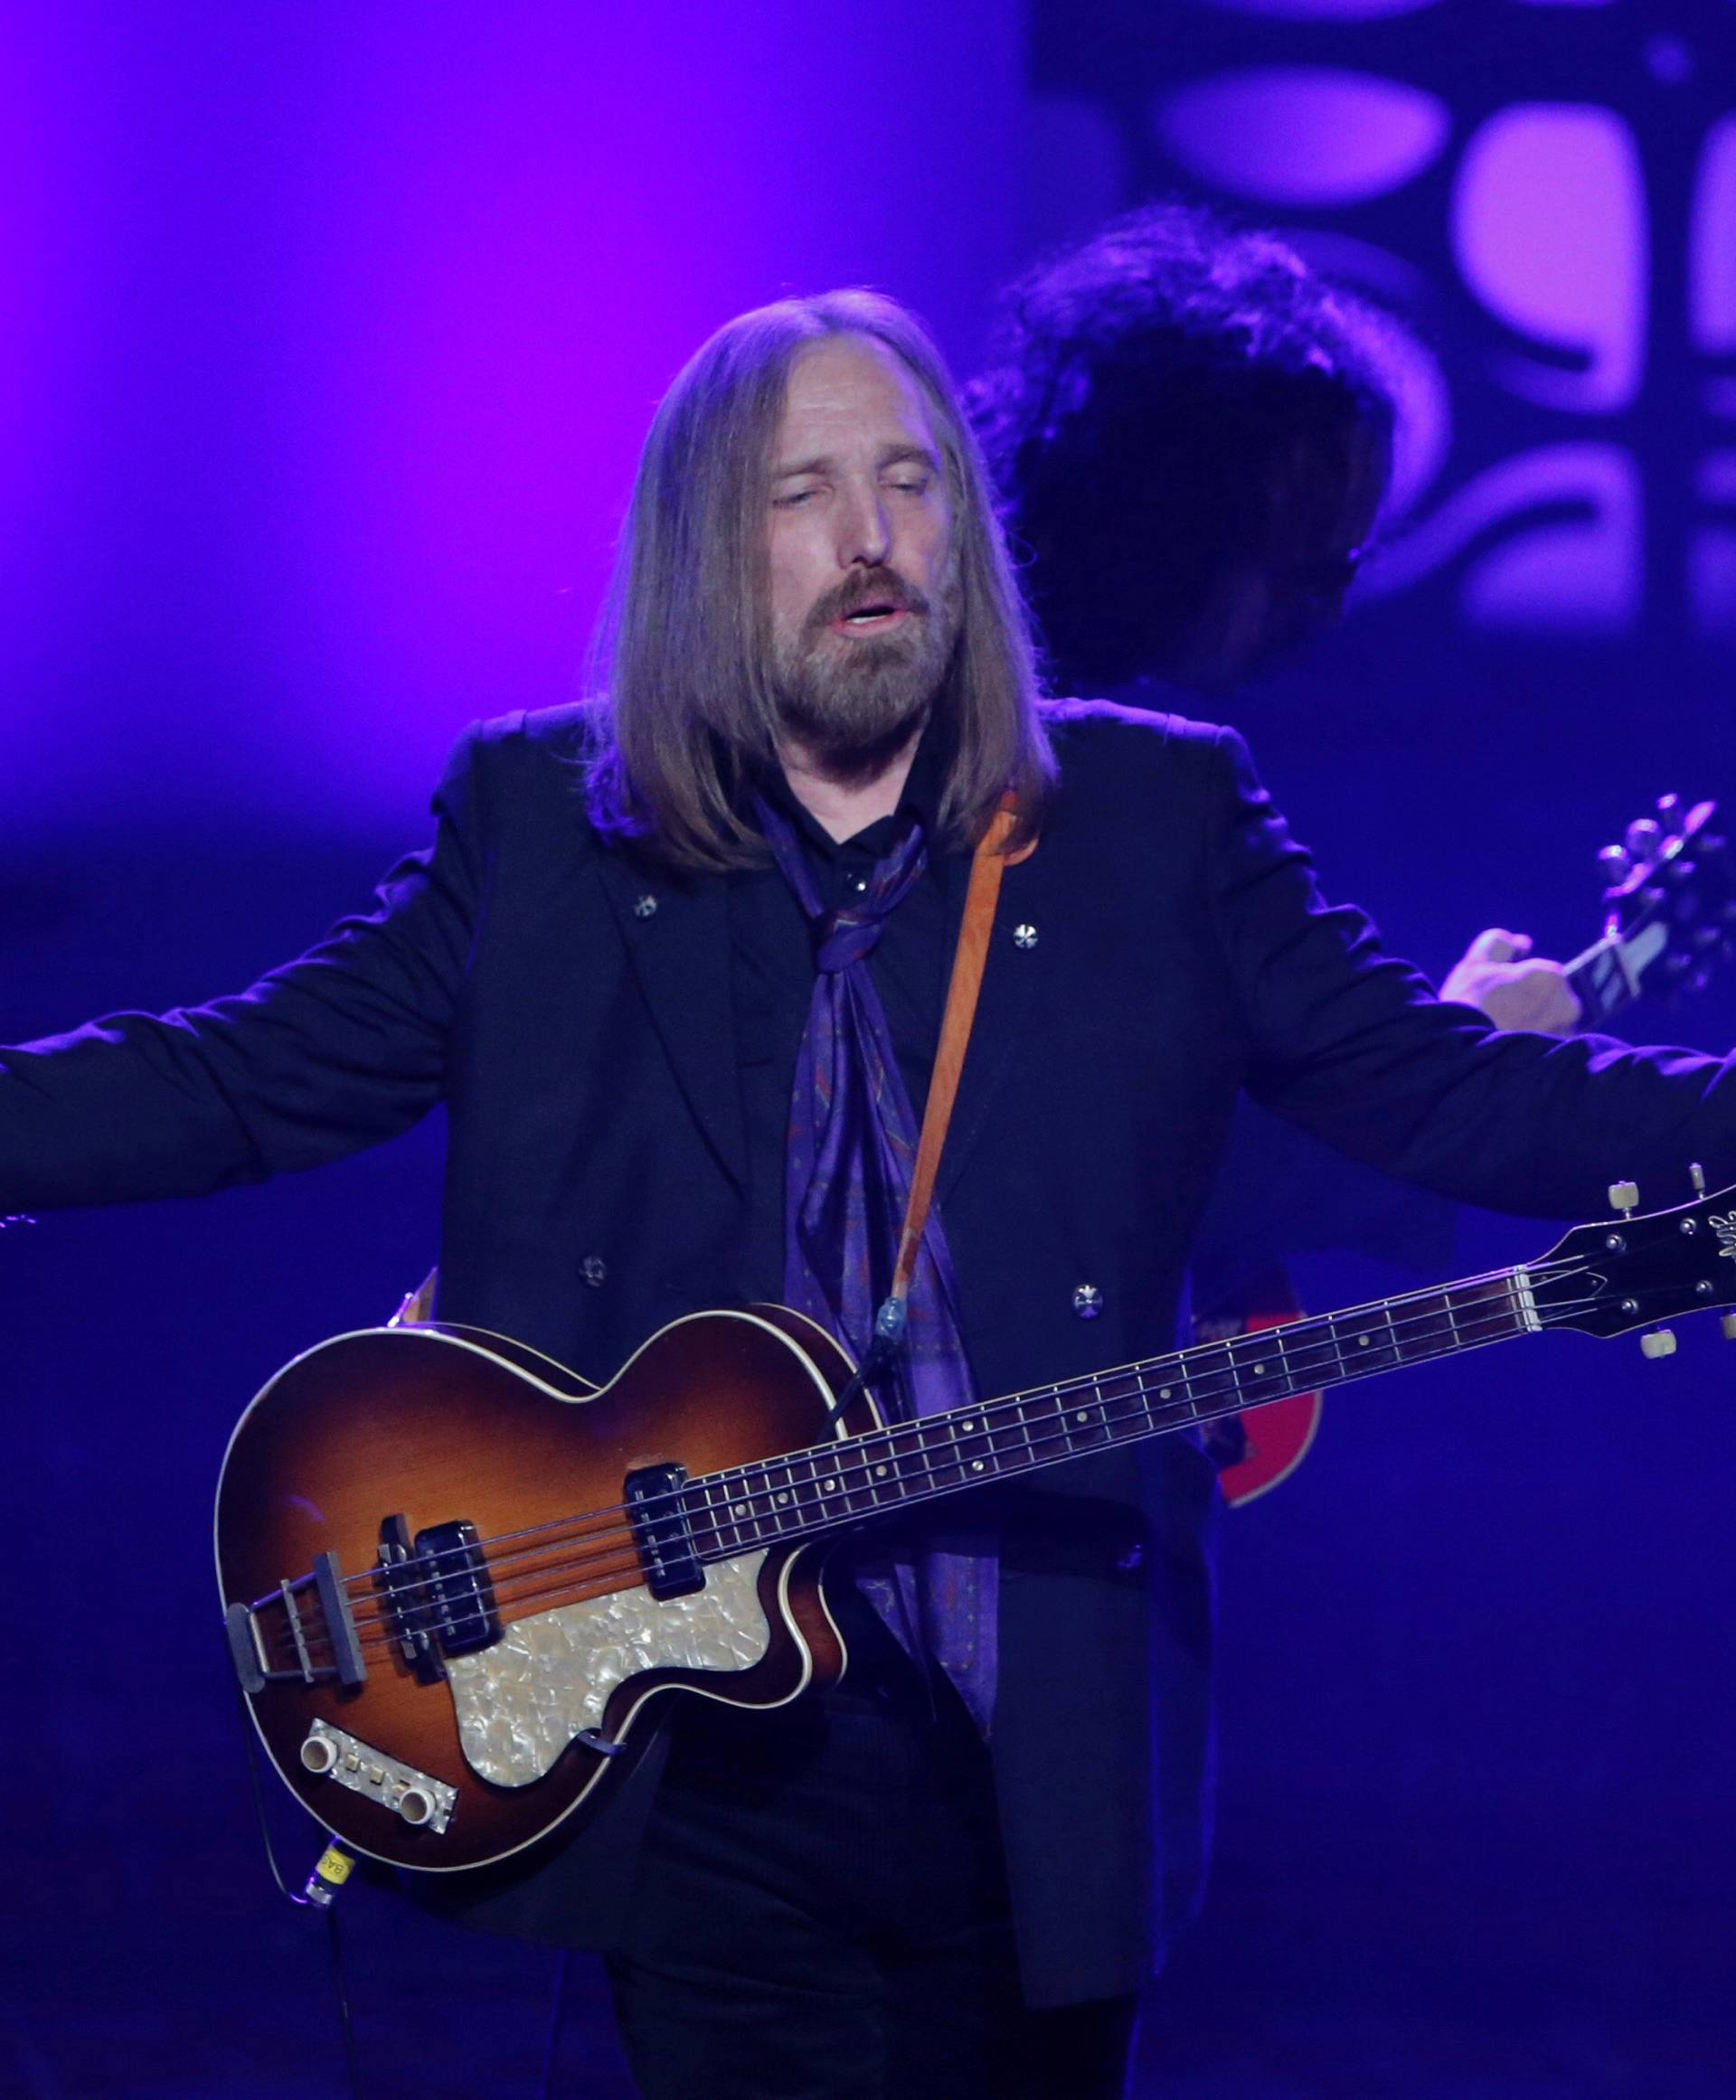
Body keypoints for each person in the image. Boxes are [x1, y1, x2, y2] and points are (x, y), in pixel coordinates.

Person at [5, 288, 1734, 2100]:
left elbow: (1463, 1098)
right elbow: (237, 1076)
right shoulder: (540, 827)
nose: (870, 538)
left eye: (910, 482)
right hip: (701, 1761)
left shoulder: (1158, 817)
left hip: (1040, 1735)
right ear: (703, 548)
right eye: (806, 492)